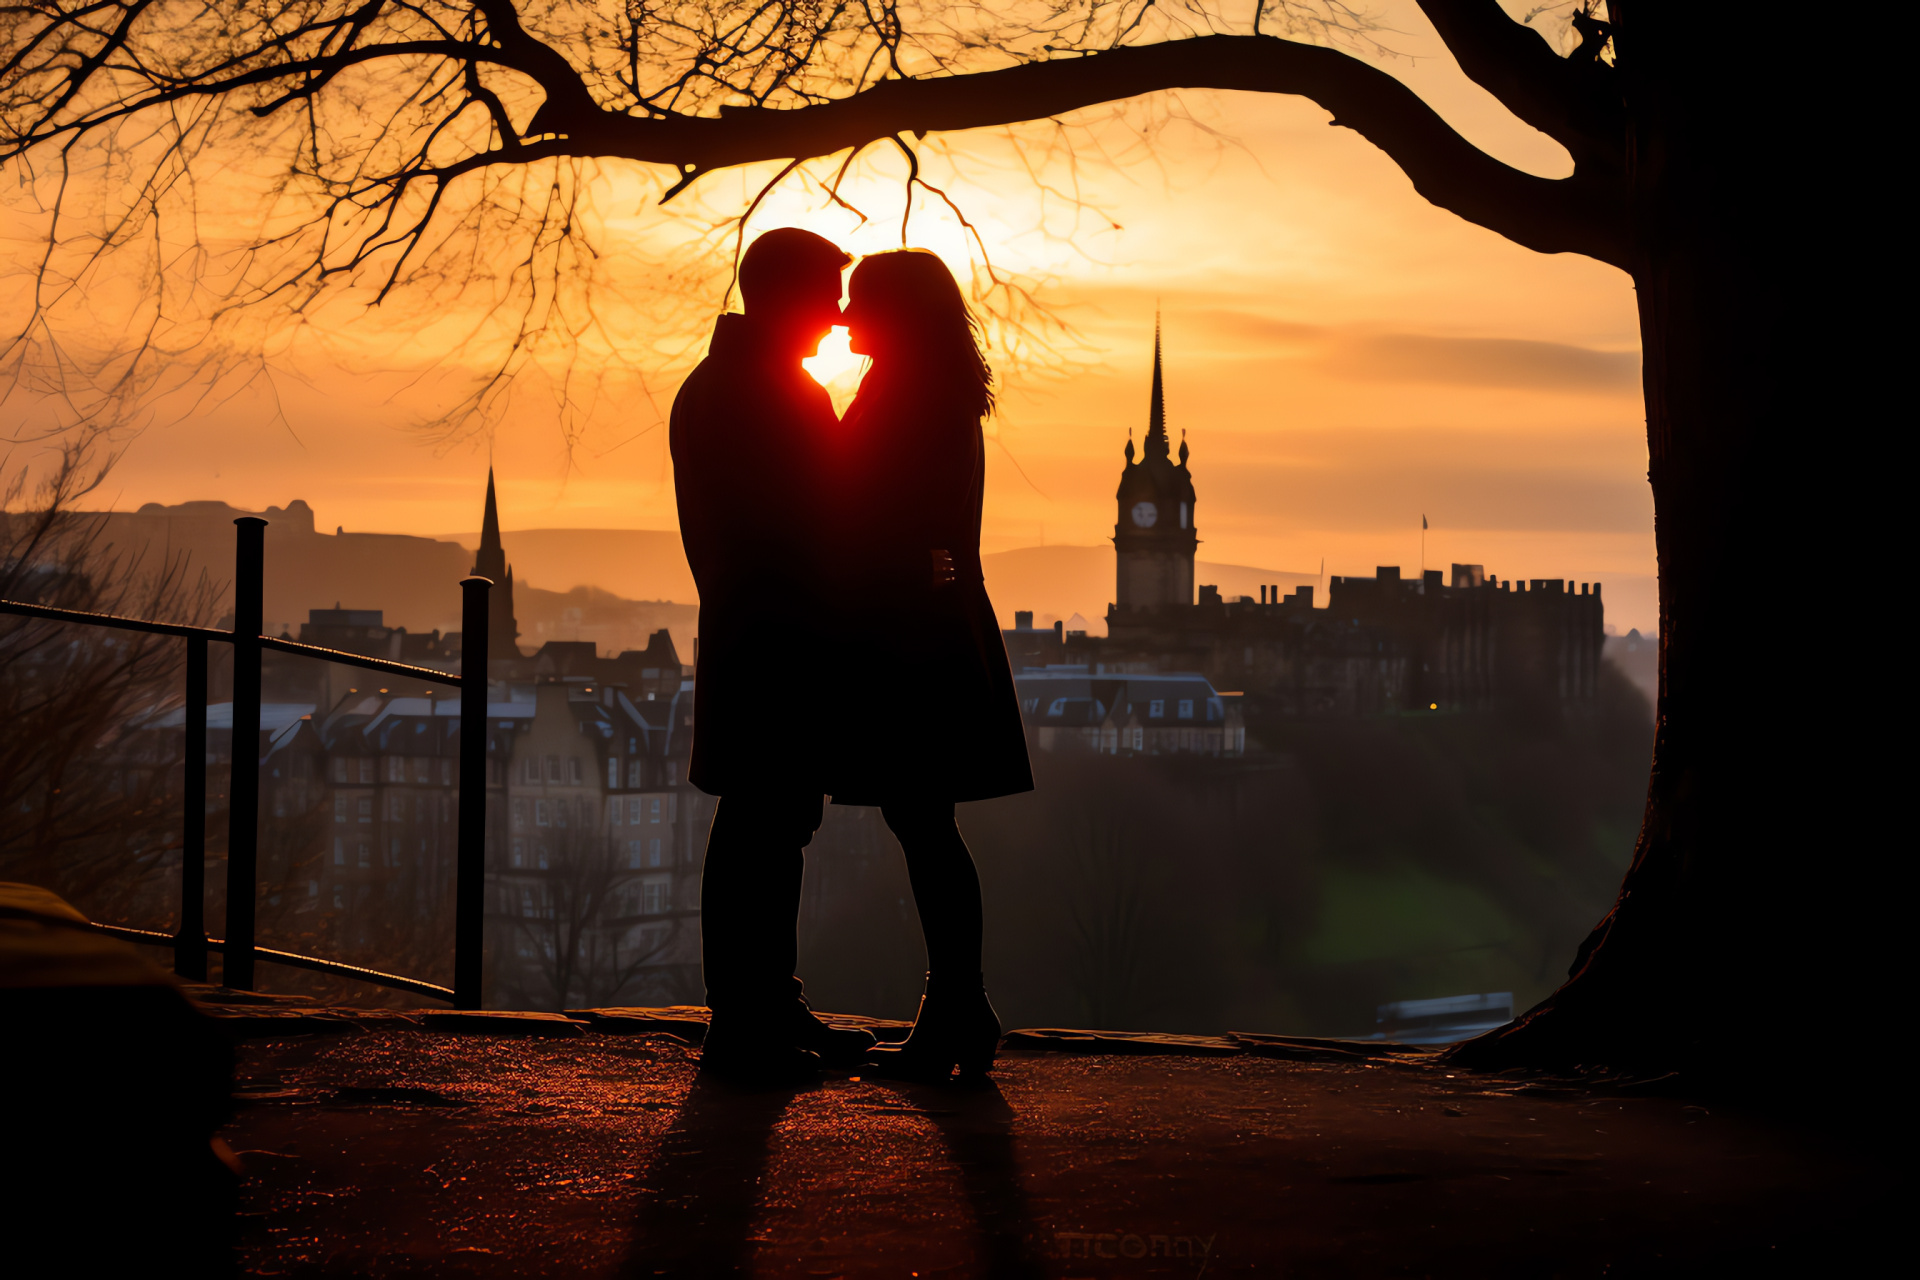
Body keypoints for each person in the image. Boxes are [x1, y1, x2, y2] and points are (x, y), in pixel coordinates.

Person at [670, 227, 875, 1081]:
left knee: (768, 827)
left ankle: (763, 1009)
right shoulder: (766, 395)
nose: (835, 317)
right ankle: (747, 1025)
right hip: (776, 647)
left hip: (757, 642)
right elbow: (812, 526)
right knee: (765, 828)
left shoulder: (730, 386)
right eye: (826, 295)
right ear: (785, 294)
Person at [826, 249, 1034, 1080]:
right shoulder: (927, 386)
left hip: (916, 644)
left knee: (924, 825)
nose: (842, 316)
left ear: (898, 311)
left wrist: (904, 562)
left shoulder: (913, 394)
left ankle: (956, 1009)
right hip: (927, 635)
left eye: (858, 301)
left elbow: (882, 507)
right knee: (925, 825)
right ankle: (956, 1008)